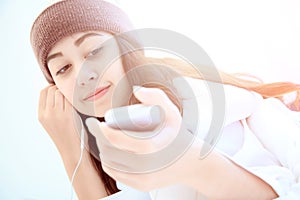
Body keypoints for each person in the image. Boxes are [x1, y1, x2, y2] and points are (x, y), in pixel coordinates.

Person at [30, 0, 300, 199]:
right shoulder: (114, 152)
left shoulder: (215, 105)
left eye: (95, 51)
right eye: (63, 69)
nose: (83, 76)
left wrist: (189, 162)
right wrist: (69, 149)